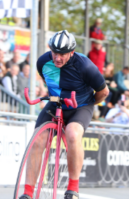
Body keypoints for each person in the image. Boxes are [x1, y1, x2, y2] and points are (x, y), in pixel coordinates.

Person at [19, 30, 109, 199]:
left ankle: (73, 189)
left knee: (73, 134)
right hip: (56, 103)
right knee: (37, 139)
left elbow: (104, 92)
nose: (57, 58)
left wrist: (88, 103)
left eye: (62, 54)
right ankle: (28, 193)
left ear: (72, 52)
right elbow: (50, 82)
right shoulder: (42, 62)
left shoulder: (86, 66)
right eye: (54, 52)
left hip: (80, 106)